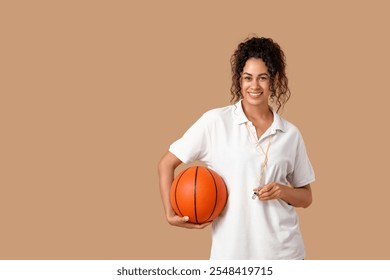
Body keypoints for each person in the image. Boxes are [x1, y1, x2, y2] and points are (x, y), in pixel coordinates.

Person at [158, 36, 315, 260]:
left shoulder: (290, 134)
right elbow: (166, 164)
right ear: (239, 80)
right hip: (232, 257)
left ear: (274, 81)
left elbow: (306, 198)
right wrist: (169, 212)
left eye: (263, 78)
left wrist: (282, 191)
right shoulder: (215, 122)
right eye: (247, 78)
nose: (254, 85)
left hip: (285, 255)